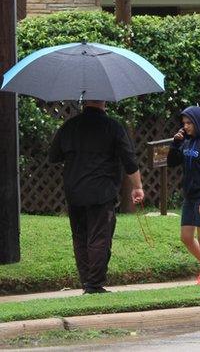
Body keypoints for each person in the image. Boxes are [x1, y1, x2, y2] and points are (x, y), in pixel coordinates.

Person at [48, 99, 145, 294]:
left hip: (74, 191)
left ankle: (87, 282)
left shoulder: (69, 126)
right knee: (100, 236)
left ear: (84, 101)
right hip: (102, 191)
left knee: (80, 237)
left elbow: (53, 156)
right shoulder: (113, 127)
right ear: (104, 101)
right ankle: (94, 285)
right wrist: (138, 187)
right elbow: (129, 161)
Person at [168, 106, 200, 284]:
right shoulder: (187, 142)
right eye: (184, 123)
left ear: (198, 122)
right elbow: (172, 163)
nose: (186, 126)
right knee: (186, 237)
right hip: (190, 198)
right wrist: (175, 144)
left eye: (189, 123)